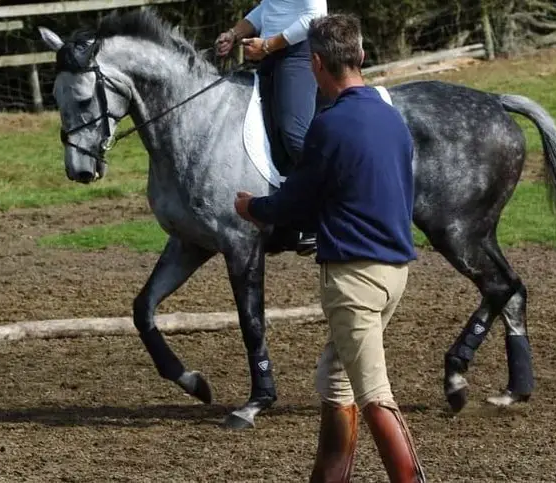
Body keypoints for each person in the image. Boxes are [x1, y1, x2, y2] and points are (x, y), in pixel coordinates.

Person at [234, 13, 426, 483]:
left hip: (354, 279)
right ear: (360, 56)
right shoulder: (390, 117)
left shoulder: (329, 126)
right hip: (395, 272)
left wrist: (253, 207)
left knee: (375, 394)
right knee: (336, 381)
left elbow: (296, 203)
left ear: (316, 63)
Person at [216, 0, 327, 256]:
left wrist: (267, 45)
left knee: (293, 133)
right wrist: (234, 34)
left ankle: (325, 215)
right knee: (268, 133)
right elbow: (269, 7)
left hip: (298, 54)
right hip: (272, 56)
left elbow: (315, 15)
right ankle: (288, 218)